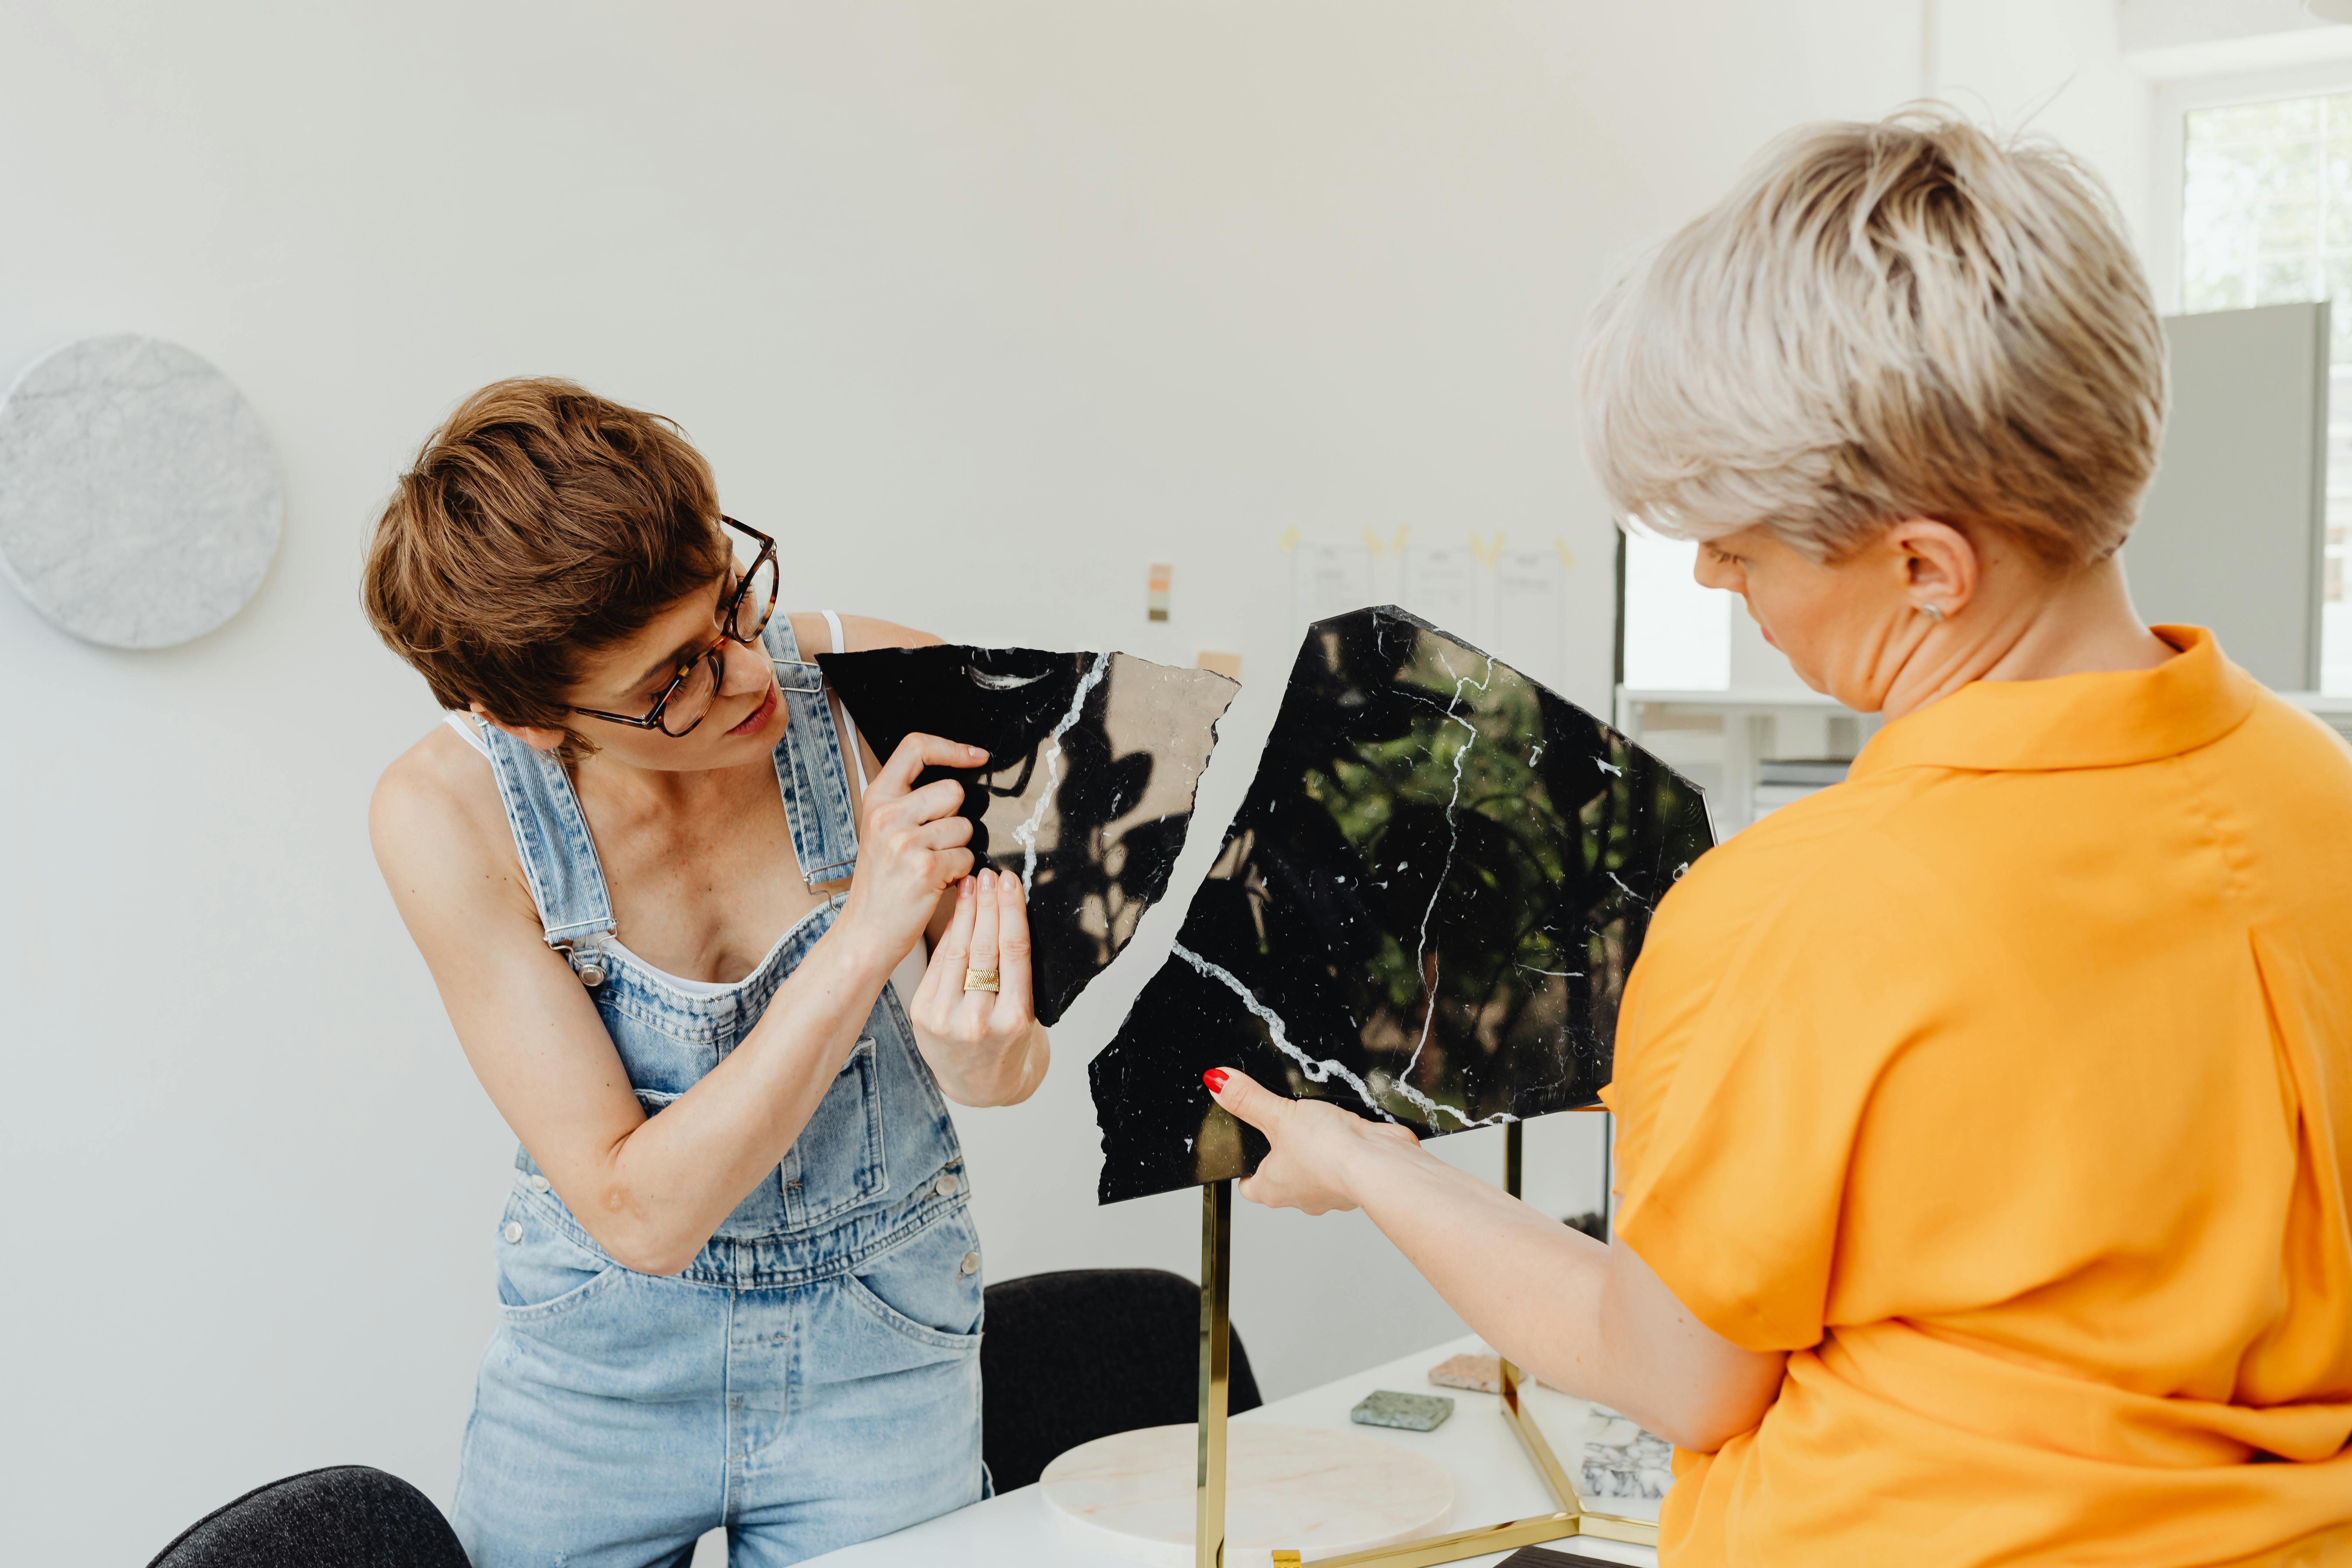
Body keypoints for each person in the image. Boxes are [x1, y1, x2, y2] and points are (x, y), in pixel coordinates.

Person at [1205, 109, 2352, 1567]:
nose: (1711, 570)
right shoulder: (2318, 797)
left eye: (1743, 546)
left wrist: (1371, 1165)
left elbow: (1676, 1369)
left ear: (1925, 566)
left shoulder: (1812, 906)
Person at [362, 379, 1049, 1568]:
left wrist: (986, 1052)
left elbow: (1001, 1072)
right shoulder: (447, 814)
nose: (745, 675)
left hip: (887, 1336)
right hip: (601, 1373)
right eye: (670, 682)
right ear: (531, 718)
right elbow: (643, 1213)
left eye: (734, 602)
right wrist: (866, 937)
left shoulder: (894, 689)